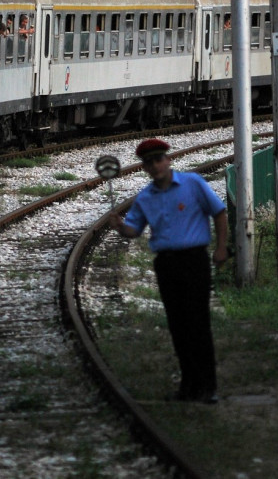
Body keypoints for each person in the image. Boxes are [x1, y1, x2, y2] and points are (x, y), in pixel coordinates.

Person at [109, 138, 229, 404]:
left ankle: (208, 387)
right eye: (149, 162)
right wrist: (120, 226)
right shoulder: (145, 198)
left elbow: (219, 213)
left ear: (168, 159)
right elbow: (134, 230)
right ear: (144, 167)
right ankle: (188, 386)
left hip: (194, 260)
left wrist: (221, 248)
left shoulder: (193, 184)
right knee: (177, 325)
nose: (155, 165)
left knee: (198, 323)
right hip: (166, 264)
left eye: (159, 158)